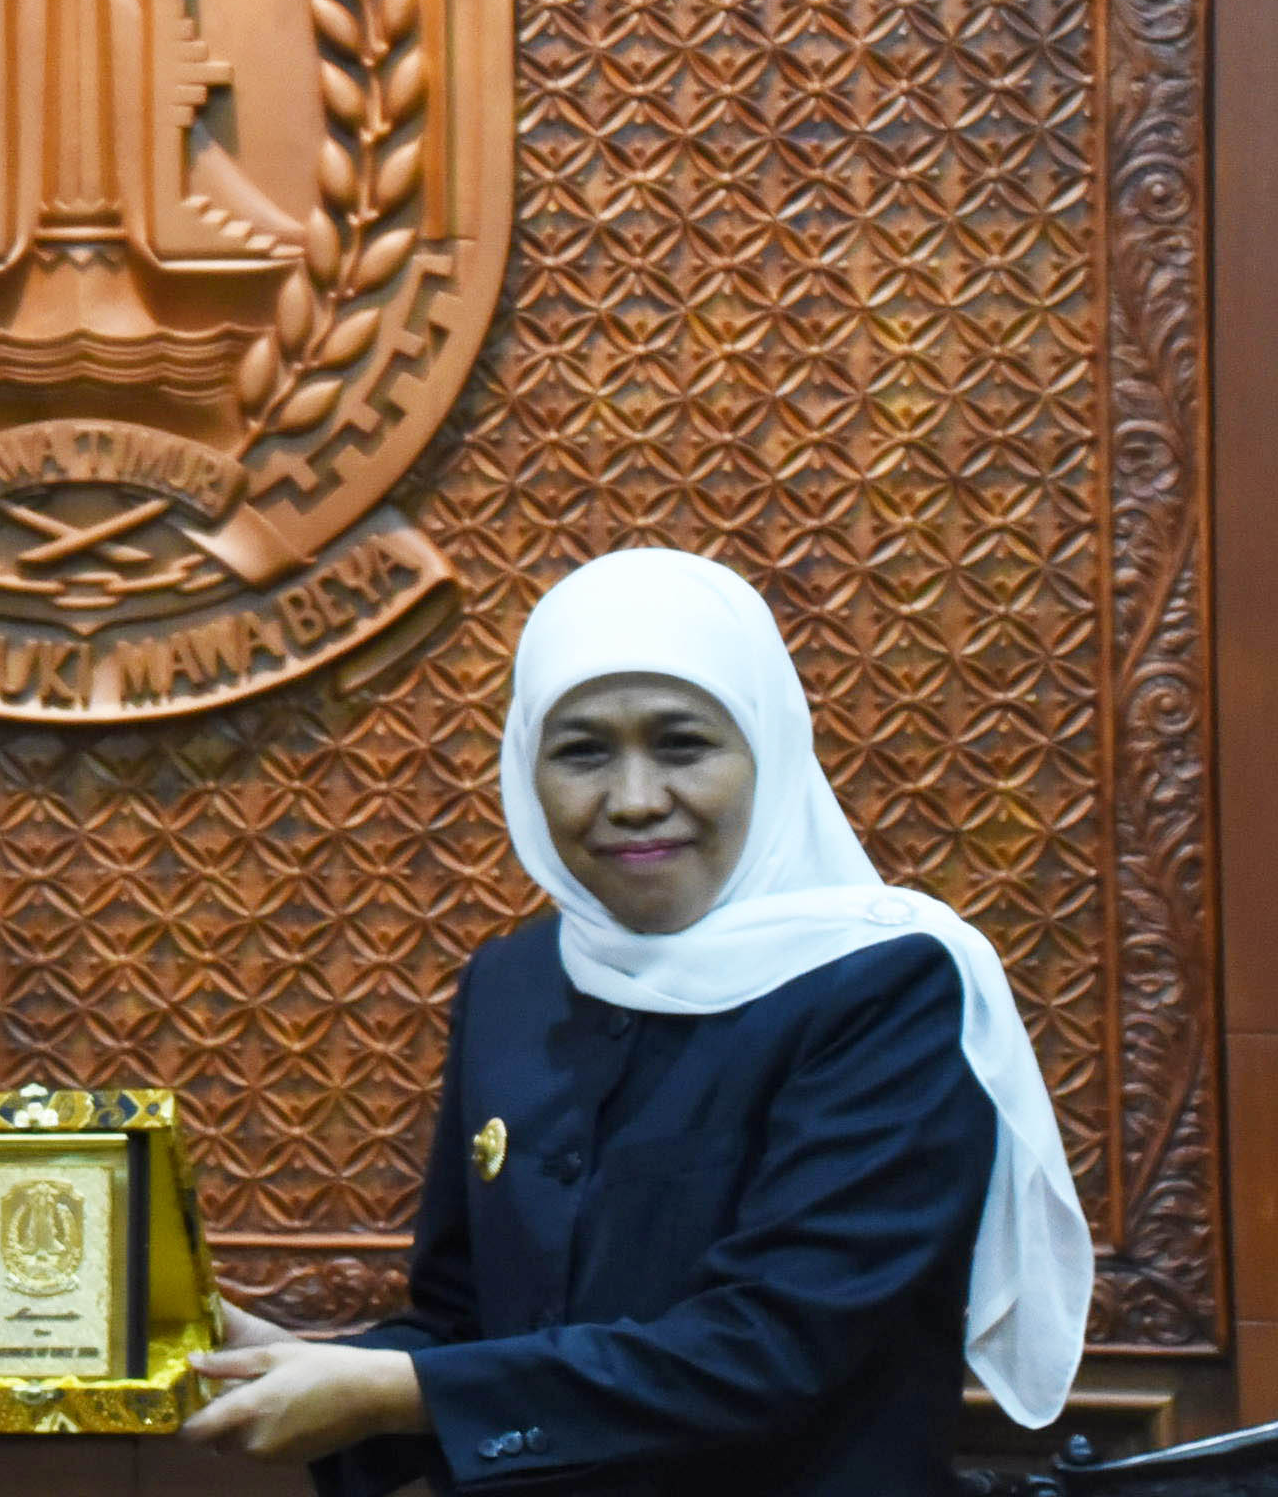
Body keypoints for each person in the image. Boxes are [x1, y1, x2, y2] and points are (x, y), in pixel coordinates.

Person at [183, 547, 1091, 1494]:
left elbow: (774, 1347)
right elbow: (465, 1322)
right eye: (581, 752)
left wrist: (396, 1391)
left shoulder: (887, 983)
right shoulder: (515, 980)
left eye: (683, 744)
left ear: (770, 751)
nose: (634, 799)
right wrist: (279, 1363)